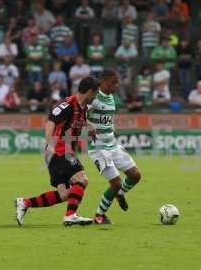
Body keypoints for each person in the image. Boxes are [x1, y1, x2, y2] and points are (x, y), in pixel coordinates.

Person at [15, 76, 100, 226]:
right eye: (96, 93)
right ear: (89, 91)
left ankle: (25, 203)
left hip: (57, 152)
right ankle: (71, 215)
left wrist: (90, 125)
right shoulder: (67, 104)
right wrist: (51, 144)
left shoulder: (83, 108)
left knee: (65, 194)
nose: (97, 96)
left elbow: (80, 119)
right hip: (59, 148)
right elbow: (50, 122)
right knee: (82, 180)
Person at [87, 69, 142, 224]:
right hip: (98, 148)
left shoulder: (111, 97)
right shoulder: (93, 98)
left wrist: (111, 126)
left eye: (117, 82)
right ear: (103, 81)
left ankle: (119, 194)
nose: (116, 85)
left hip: (112, 145)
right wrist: (88, 125)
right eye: (113, 82)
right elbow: (80, 114)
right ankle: (99, 216)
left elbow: (106, 118)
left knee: (135, 176)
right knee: (116, 182)